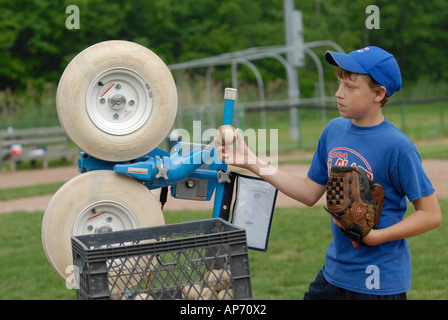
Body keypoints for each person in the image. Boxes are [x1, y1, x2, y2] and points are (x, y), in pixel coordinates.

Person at [215, 46, 441, 300]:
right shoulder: (334, 130)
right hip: (335, 273)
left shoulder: (398, 147)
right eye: (339, 83)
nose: (338, 93)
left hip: (378, 282)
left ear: (378, 93)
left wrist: (376, 237)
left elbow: (431, 215)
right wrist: (252, 162)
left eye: (350, 87)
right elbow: (310, 192)